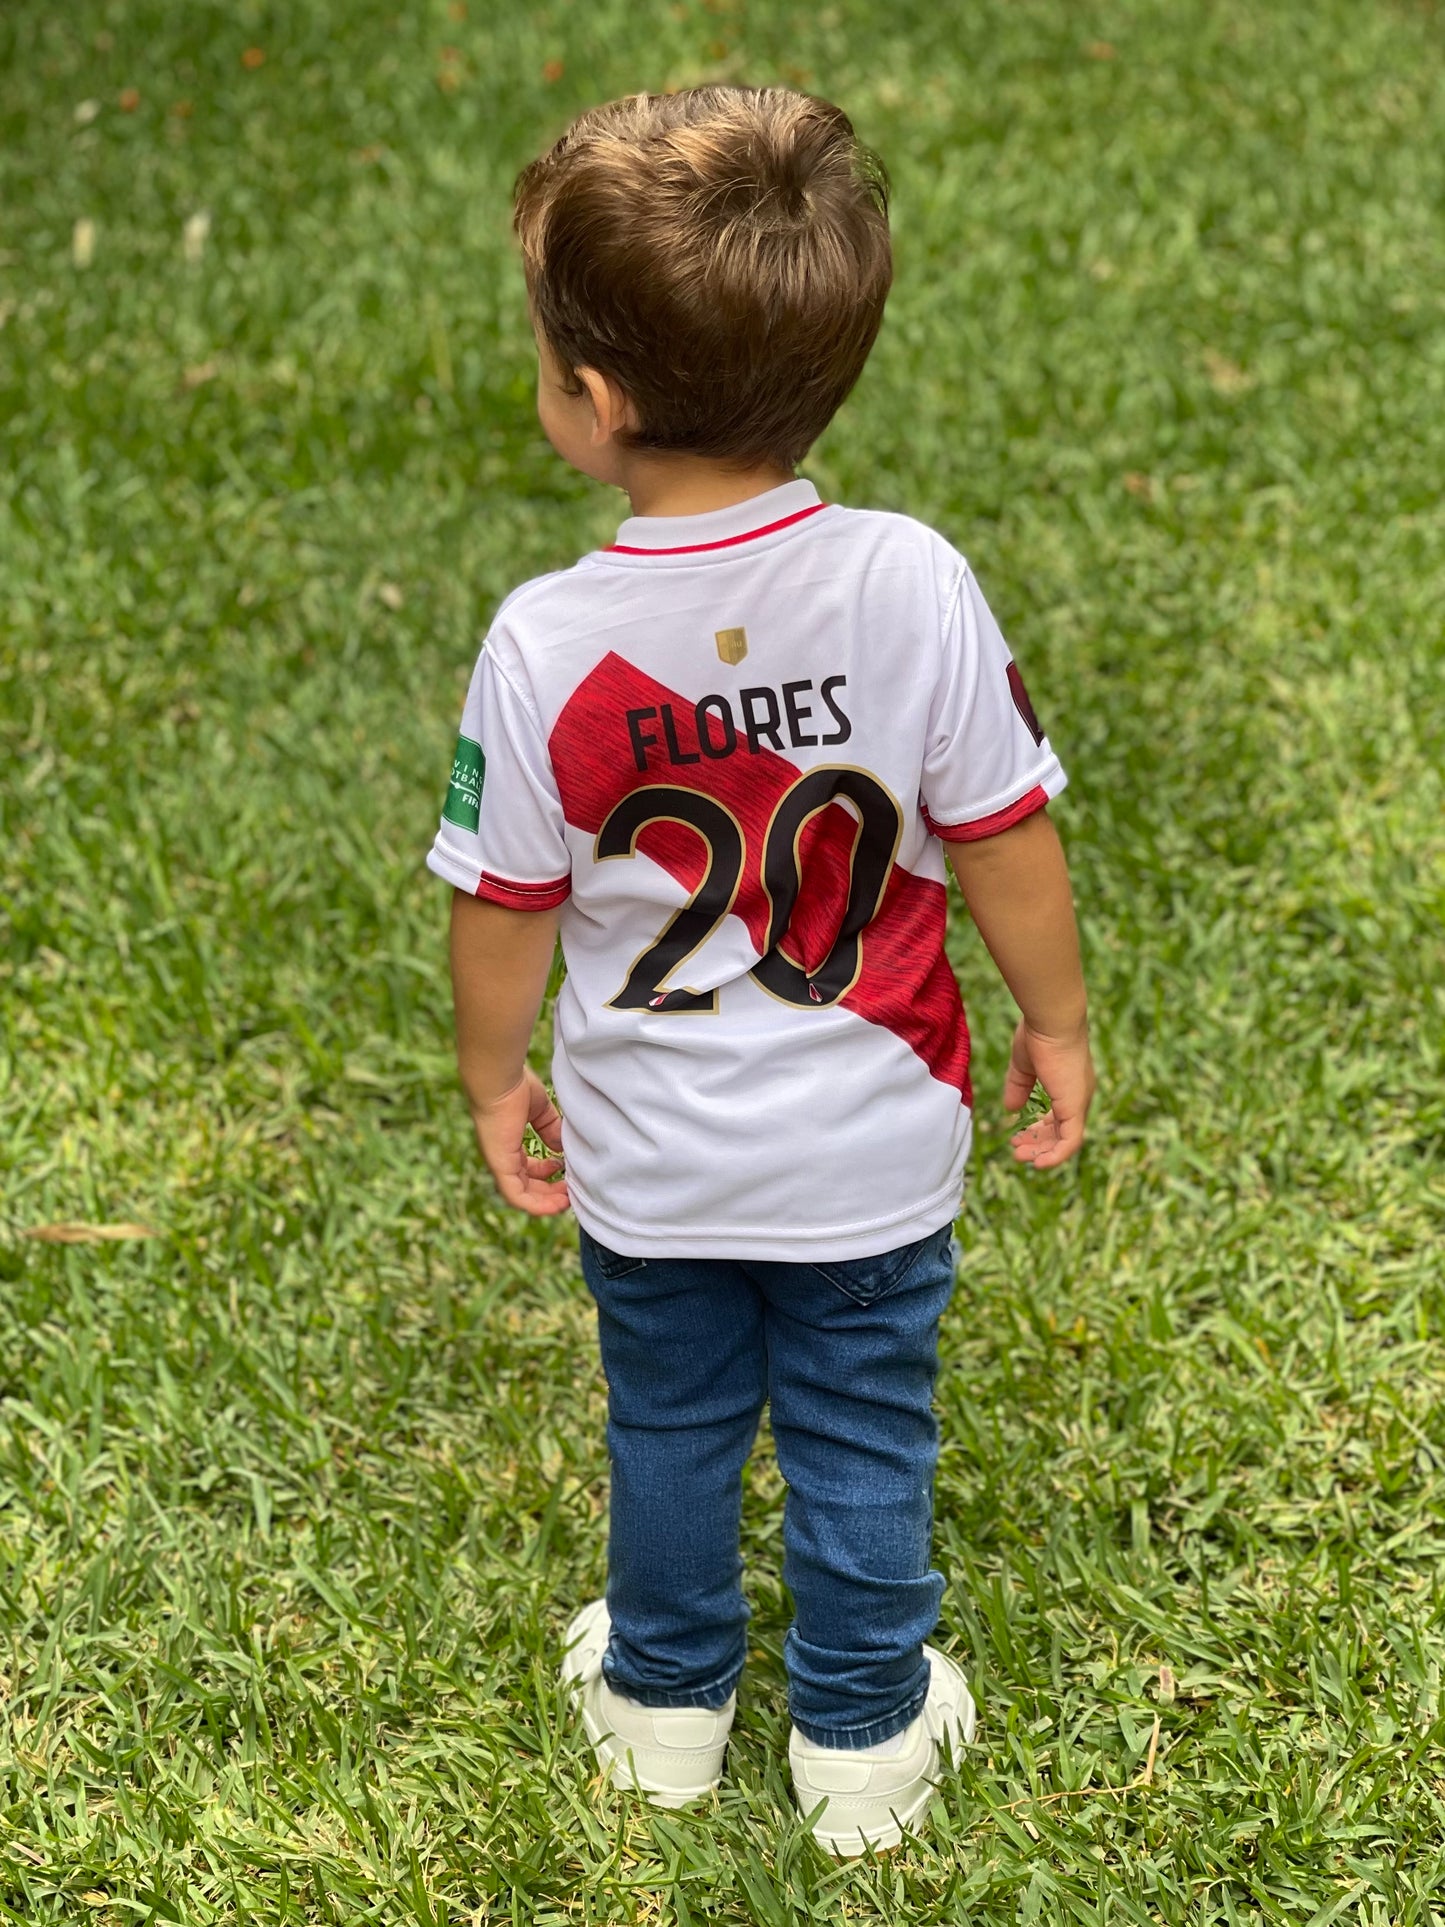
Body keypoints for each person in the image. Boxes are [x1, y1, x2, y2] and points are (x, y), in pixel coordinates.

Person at [427, 84, 1094, 1857]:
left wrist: (497, 1078)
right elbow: (1006, 834)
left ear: (597, 402)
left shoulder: (549, 639)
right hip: (876, 1138)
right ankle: (862, 1742)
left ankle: (662, 1708)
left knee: (670, 1423)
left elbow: (501, 904)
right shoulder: (910, 579)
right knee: (863, 1428)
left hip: (655, 1159)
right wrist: (1058, 1019)